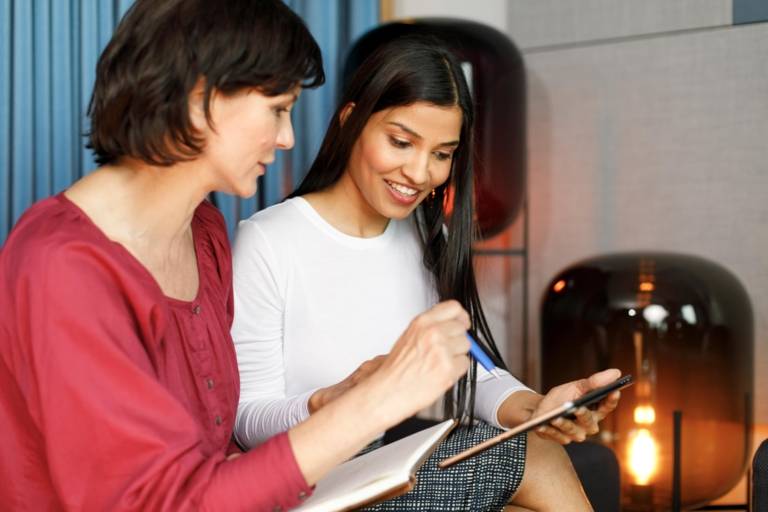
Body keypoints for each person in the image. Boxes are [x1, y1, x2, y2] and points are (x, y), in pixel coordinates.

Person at [0, 3, 474, 510]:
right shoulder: (62, 267)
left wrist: (327, 403)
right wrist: (372, 405)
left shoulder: (204, 233)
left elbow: (217, 449)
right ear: (201, 98)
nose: (289, 137)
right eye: (277, 109)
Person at [232, 35, 622, 511]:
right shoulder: (269, 241)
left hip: (384, 470)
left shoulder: (423, 231)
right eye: (401, 142)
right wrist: (333, 399)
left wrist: (535, 410)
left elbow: (472, 368)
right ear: (351, 119)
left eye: (442, 154)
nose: (419, 173)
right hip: (307, 487)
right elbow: (246, 420)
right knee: (535, 459)